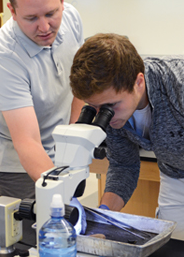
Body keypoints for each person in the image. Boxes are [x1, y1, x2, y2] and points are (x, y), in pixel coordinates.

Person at [0, 0, 84, 200]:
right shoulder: (4, 57)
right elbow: (27, 142)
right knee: (32, 231)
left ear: (62, 0)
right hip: (15, 162)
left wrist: (73, 141)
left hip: (59, 143)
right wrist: (58, 193)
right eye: (31, 18)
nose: (45, 27)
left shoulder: (71, 18)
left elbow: (80, 82)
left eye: (51, 13)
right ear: (12, 12)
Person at [70, 33, 184, 240]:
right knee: (173, 244)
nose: (104, 114)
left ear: (138, 82)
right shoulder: (113, 111)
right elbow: (124, 166)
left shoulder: (177, 84)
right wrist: (104, 216)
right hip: (175, 174)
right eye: (95, 107)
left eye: (110, 106)